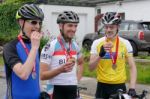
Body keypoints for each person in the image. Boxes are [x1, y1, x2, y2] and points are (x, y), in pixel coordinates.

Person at [89, 12, 137, 99]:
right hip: (102, 87)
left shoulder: (126, 43)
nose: (108, 30)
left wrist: (132, 87)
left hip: (119, 86)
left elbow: (132, 66)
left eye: (111, 27)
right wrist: (100, 55)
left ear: (118, 27)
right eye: (106, 27)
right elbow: (91, 68)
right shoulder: (97, 43)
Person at [3, 4, 44, 99]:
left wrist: (42, 91)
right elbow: (23, 74)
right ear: (21, 22)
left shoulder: (35, 45)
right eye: (34, 22)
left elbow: (36, 75)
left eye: (39, 23)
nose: (37, 26)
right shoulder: (10, 47)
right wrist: (34, 48)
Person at [40, 11, 84, 99]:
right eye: (70, 25)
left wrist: (76, 80)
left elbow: (81, 63)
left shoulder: (75, 45)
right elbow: (42, 75)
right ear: (60, 26)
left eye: (75, 26)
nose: (74, 29)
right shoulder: (50, 46)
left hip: (72, 90)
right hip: (55, 91)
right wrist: (60, 70)